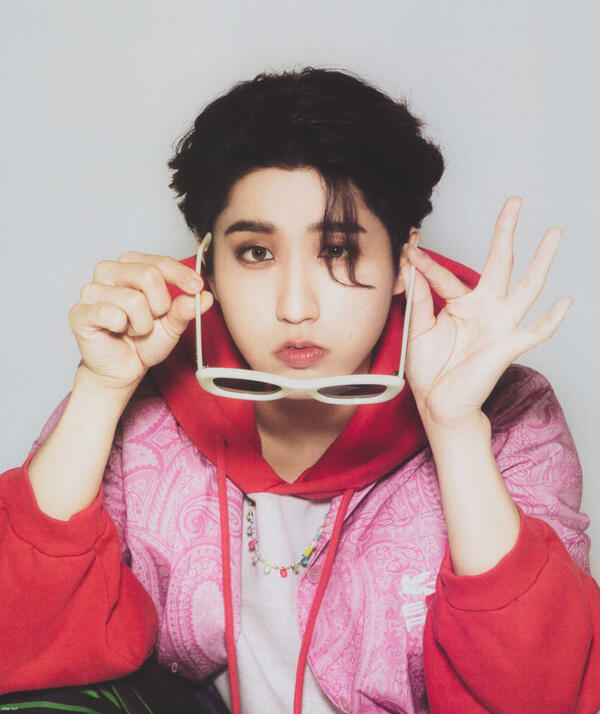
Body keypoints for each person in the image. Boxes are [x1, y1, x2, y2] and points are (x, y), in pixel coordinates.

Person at [0, 67, 598, 714]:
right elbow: (21, 642)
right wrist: (101, 388)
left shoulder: (509, 412)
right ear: (207, 264)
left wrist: (455, 430)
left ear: (404, 262)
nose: (295, 307)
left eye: (338, 250)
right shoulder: (146, 396)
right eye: (256, 253)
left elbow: (539, 695)